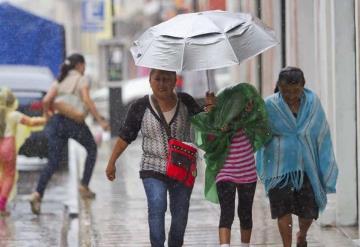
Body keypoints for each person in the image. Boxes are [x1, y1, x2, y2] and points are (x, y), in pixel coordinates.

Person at [106, 69, 207, 247]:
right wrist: (111, 162)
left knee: (180, 214)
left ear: (175, 81)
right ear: (150, 81)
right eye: (157, 79)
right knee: (157, 206)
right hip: (152, 167)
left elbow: (205, 127)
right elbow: (125, 136)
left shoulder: (186, 102)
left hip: (182, 169)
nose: (162, 84)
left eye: (166, 79)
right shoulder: (140, 106)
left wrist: (210, 109)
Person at [256, 66, 339, 247]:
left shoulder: (313, 102)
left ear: (303, 85)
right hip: (278, 167)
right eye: (286, 91)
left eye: (295, 91)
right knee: (282, 209)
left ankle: (302, 234)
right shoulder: (270, 105)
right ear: (279, 86)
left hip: (307, 164)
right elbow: (259, 134)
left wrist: (325, 166)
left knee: (308, 211)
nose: (291, 96)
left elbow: (322, 133)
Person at [191, 83, 271, 247]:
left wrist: (250, 109)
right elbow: (207, 139)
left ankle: (244, 245)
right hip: (225, 173)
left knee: (245, 213)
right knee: (227, 213)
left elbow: (261, 121)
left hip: (248, 174)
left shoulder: (250, 122)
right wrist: (211, 110)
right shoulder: (218, 121)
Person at [30, 53, 110, 215]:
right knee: (92, 149)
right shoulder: (81, 79)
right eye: (84, 65)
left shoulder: (59, 80)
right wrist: (100, 120)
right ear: (79, 65)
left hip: (56, 122)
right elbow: (87, 100)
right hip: (74, 123)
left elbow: (46, 100)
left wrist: (47, 116)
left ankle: (37, 194)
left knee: (52, 161)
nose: (85, 68)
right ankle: (84, 185)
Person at [0, 87, 47, 216]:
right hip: (8, 146)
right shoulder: (13, 115)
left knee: (1, 175)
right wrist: (46, 119)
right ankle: (1, 205)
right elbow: (31, 122)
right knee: (9, 175)